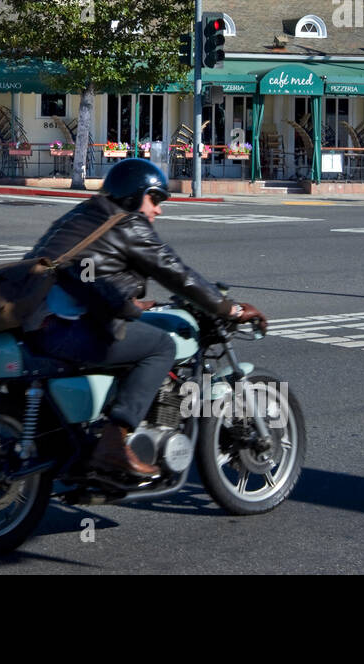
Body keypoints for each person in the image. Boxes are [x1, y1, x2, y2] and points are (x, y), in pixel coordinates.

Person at [24, 159, 267, 479]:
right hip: (67, 329)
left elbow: (88, 272)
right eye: (155, 199)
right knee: (160, 347)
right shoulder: (129, 223)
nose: (158, 210)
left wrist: (129, 304)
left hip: (35, 325)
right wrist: (230, 309)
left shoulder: (82, 215)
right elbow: (178, 274)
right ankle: (114, 440)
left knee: (133, 340)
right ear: (134, 195)